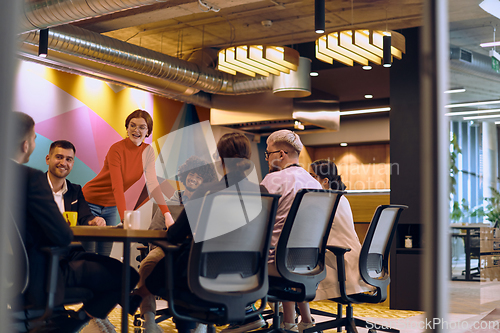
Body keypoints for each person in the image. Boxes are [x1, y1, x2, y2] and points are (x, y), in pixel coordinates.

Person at [10, 112, 140, 333]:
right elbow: (62, 235)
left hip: (22, 266)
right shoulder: (31, 179)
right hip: (48, 266)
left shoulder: (72, 189)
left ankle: (78, 319)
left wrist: (91, 220)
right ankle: (75, 322)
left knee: (119, 274)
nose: (64, 162)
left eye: (69, 159)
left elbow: (83, 217)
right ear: (25, 145)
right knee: (128, 275)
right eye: (33, 139)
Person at [133, 132, 267, 333]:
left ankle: (139, 297)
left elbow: (175, 235)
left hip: (205, 274)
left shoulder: (208, 191)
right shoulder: (263, 193)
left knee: (173, 266)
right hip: (248, 274)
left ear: (220, 159)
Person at [137, 156, 217, 333]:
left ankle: (202, 322)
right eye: (191, 174)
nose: (193, 179)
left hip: (196, 249)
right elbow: (153, 232)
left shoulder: (206, 202)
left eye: (199, 176)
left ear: (204, 181)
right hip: (166, 248)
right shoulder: (168, 202)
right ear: (184, 175)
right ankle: (149, 319)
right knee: (147, 264)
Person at [82, 109, 174, 256]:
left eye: (142, 127)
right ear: (127, 128)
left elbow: (152, 183)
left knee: (104, 256)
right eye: (132, 125)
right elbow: (117, 187)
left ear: (148, 131)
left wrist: (167, 215)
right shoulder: (116, 149)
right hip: (89, 201)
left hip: (110, 207)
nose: (136, 130)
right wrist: (125, 219)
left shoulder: (148, 151)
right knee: (89, 254)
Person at [259, 130, 323, 333]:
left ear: (281, 154)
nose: (267, 158)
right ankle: (299, 321)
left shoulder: (272, 181)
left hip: (274, 263)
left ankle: (250, 318)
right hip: (307, 262)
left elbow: (256, 223)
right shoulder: (315, 184)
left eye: (268, 154)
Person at [309, 159, 374, 301]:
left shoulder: (324, 200)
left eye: (312, 176)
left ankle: (290, 317)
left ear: (324, 180)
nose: (308, 179)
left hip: (339, 266)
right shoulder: (340, 198)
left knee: (288, 268)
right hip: (356, 265)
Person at [45, 140, 106, 229]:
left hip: (67, 242)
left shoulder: (75, 190)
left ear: (72, 163)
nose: (63, 163)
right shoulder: (32, 187)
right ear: (48, 159)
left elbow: (86, 217)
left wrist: (95, 221)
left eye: (68, 159)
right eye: (59, 157)